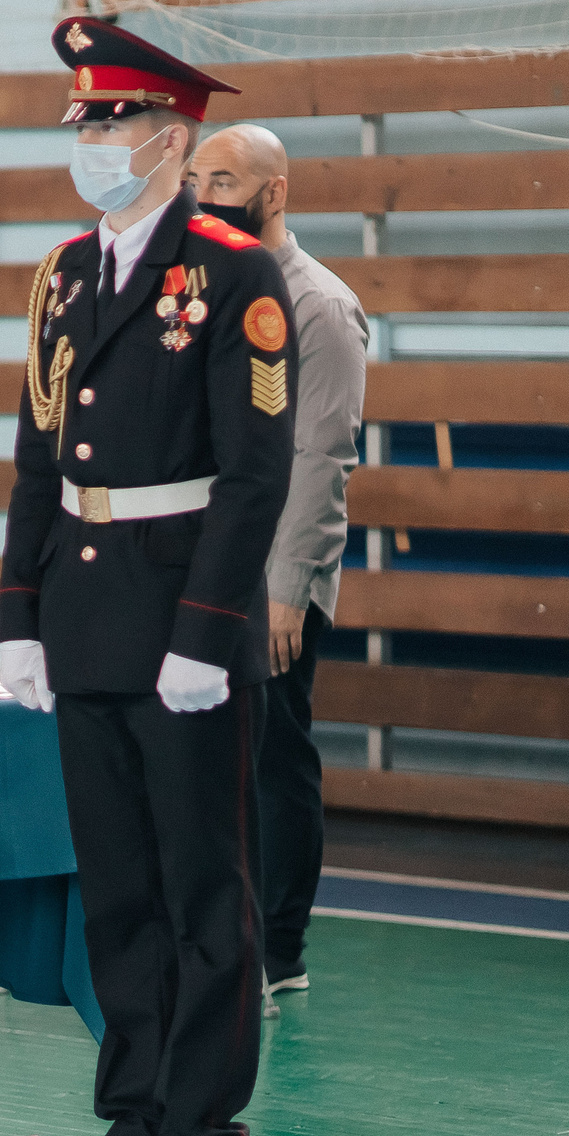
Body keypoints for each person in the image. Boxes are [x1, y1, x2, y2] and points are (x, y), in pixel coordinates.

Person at [0, 18, 295, 1136]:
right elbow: (34, 459)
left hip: (184, 625)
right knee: (114, 886)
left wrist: (206, 629)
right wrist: (19, 616)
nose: (92, 140)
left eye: (111, 122)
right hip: (83, 612)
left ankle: (202, 1135)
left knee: (200, 892)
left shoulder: (232, 269)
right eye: (82, 122)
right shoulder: (66, 271)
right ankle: (131, 1120)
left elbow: (254, 471)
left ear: (171, 136)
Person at [189, 123, 368, 997]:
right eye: (195, 178)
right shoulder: (194, 292)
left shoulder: (319, 305)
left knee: (271, 755)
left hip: (274, 575)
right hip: (199, 564)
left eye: (223, 179)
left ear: (275, 192)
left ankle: (278, 947)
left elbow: (320, 455)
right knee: (201, 753)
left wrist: (289, 590)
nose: (203, 194)